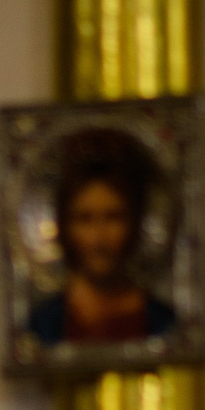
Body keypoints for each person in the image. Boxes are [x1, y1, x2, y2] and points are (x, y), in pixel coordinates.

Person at [26, 126, 176, 346]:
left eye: (113, 217)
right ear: (65, 226)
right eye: (84, 219)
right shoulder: (43, 326)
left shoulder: (162, 324)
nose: (99, 238)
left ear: (134, 223)